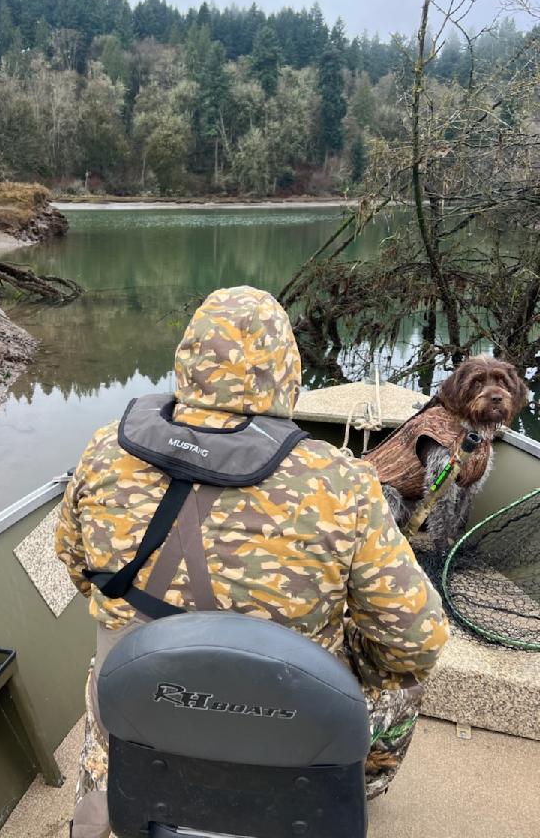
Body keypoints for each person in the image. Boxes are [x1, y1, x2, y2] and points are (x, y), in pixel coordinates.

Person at [54, 286, 449, 837]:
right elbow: (416, 641)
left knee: (104, 676)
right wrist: (342, 659)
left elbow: (76, 568)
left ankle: (101, 790)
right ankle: (359, 785)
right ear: (286, 372)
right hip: (289, 728)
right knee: (405, 688)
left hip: (142, 714)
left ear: (186, 361)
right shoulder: (340, 481)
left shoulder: (101, 453)